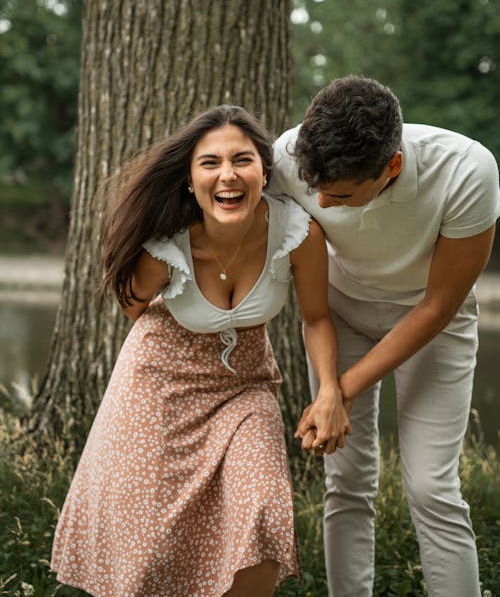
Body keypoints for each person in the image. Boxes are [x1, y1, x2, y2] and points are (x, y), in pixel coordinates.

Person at [51, 105, 350, 597]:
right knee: (148, 539)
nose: (227, 175)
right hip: (158, 384)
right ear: (190, 180)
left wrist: (329, 391)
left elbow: (316, 317)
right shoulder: (163, 247)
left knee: (263, 507)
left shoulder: (298, 233)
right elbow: (133, 309)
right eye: (209, 163)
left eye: (242, 160)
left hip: (244, 388)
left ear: (263, 171)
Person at [270, 75, 500, 597]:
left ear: (391, 166)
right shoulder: (289, 156)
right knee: (346, 482)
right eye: (315, 190)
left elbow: (439, 305)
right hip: (339, 313)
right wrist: (330, 385)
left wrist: (338, 392)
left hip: (432, 319)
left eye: (341, 194)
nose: (323, 203)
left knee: (432, 488)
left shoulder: (467, 171)